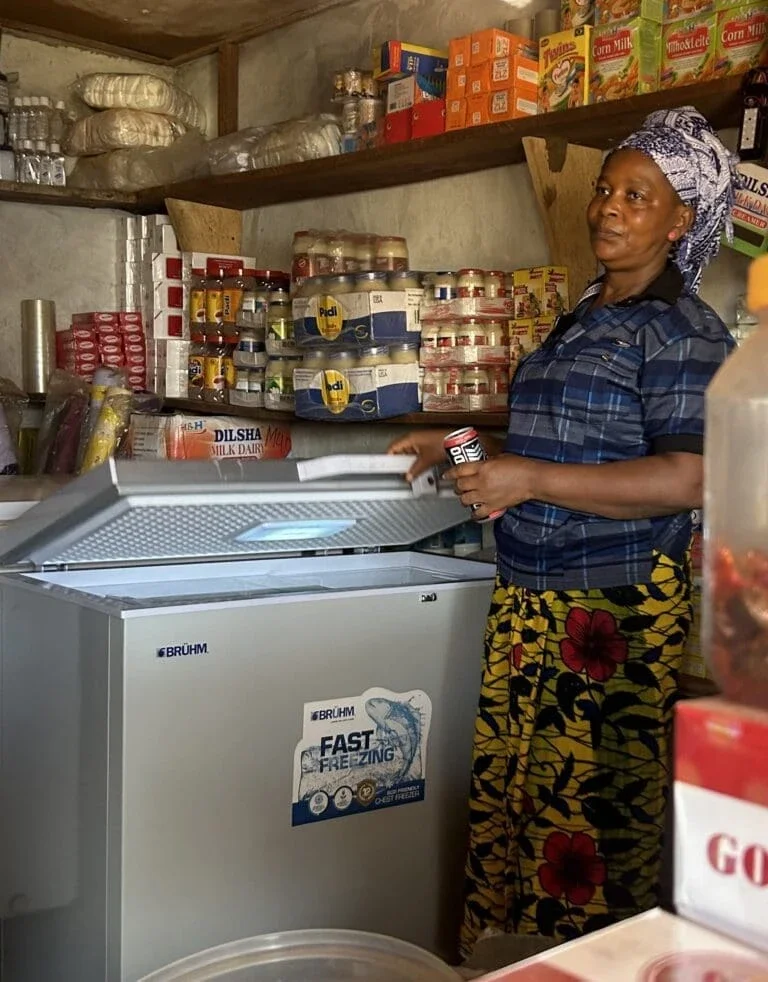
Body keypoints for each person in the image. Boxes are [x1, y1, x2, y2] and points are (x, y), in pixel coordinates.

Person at [389, 107, 741, 951]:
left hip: (611, 613)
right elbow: (544, 450)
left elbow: (686, 478)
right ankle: (507, 963)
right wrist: (463, 445)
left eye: (638, 195)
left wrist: (531, 476)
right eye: (605, 189)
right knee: (511, 797)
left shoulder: (685, 333)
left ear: (681, 218)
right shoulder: (583, 315)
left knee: (585, 819)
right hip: (529, 600)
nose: (609, 209)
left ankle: (593, 966)